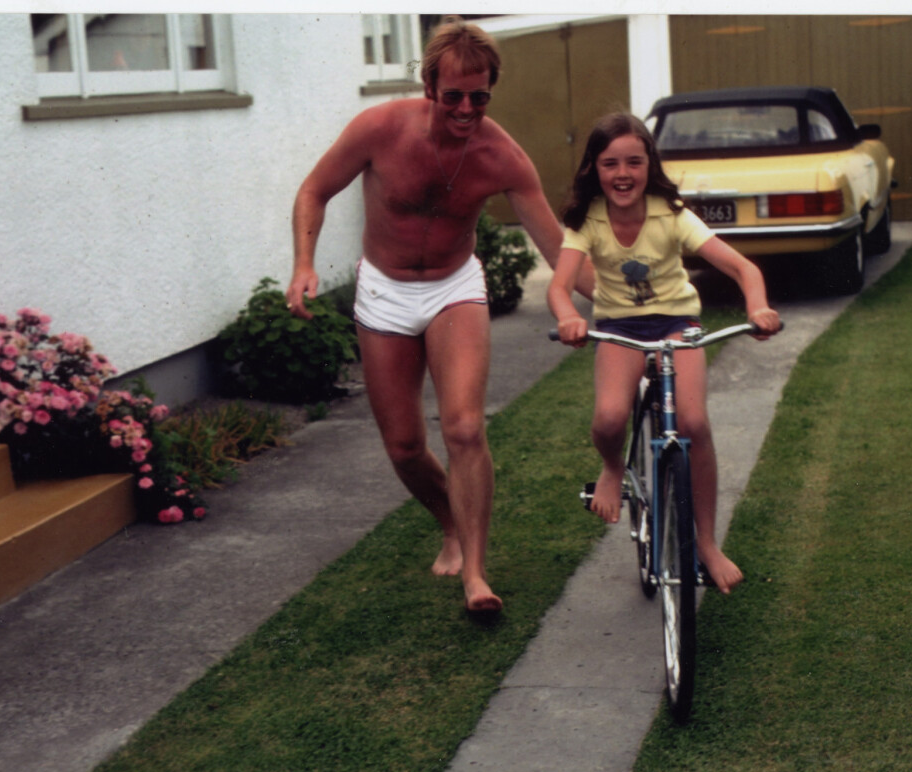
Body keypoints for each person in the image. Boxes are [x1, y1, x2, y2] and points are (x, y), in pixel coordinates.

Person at [288, 17, 585, 615]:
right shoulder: (380, 128)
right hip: (385, 293)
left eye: (480, 96)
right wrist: (303, 264)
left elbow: (556, 247)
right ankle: (450, 521)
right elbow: (313, 191)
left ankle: (476, 573)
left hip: (454, 288)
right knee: (402, 446)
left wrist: (625, 302)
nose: (467, 108)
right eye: (454, 96)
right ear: (429, 87)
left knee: (465, 429)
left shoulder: (502, 155)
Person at [547, 112, 781, 594]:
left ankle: (707, 544)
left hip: (678, 326)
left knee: (693, 424)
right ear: (594, 169)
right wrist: (569, 316)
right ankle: (613, 470)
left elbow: (743, 268)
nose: (623, 174)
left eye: (634, 161)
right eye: (611, 164)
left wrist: (757, 307)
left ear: (649, 164)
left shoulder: (670, 214)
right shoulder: (587, 220)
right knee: (610, 418)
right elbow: (559, 287)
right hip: (620, 327)